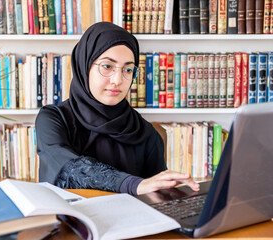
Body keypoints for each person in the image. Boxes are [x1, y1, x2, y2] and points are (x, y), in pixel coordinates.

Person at [35, 22, 199, 195]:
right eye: (107, 66)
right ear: (84, 66)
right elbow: (68, 167)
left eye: (128, 70)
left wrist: (173, 189)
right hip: (68, 219)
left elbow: (155, 194)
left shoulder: (145, 133)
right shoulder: (53, 118)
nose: (118, 80)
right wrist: (133, 184)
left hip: (128, 221)